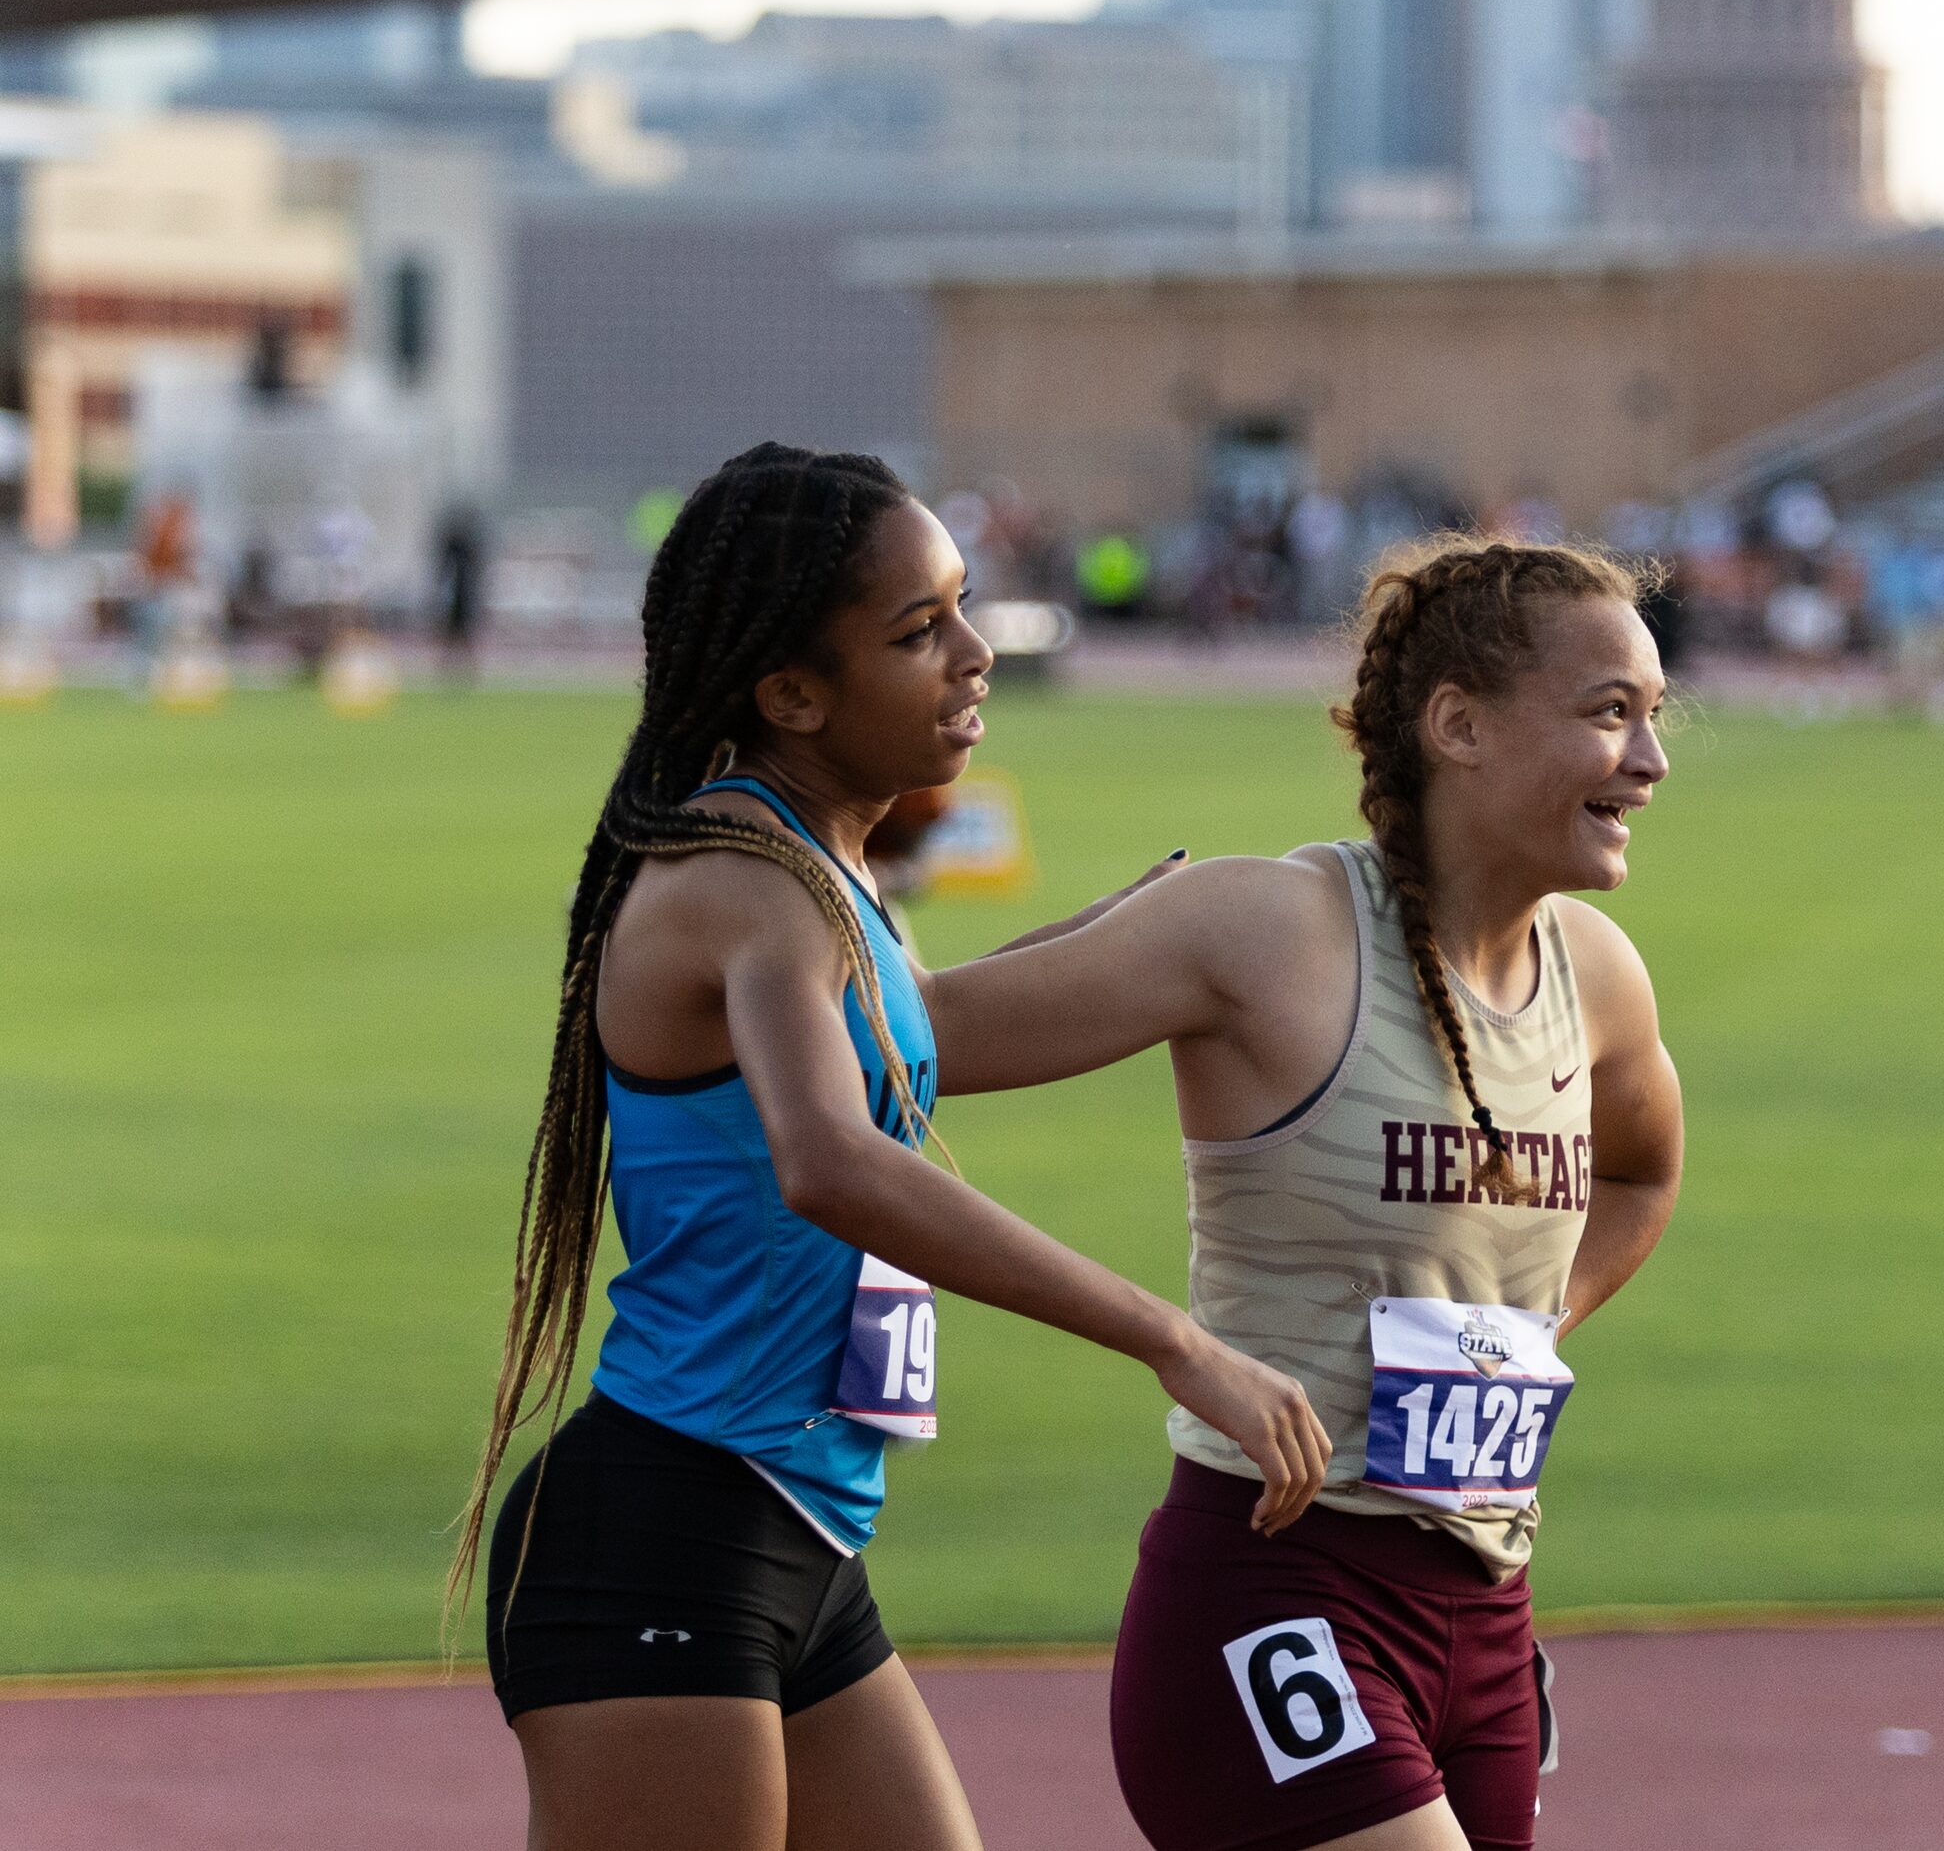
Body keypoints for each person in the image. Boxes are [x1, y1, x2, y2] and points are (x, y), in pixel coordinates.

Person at [453, 443, 1331, 1851]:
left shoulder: (823, 870)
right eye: (921, 631)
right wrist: (1175, 1337)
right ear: (791, 693)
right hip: (667, 1528)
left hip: (788, 1534)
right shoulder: (747, 882)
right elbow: (834, 1157)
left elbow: (922, 1040)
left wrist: (1134, 939)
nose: (976, 654)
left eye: (964, 607)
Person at [918, 537, 1688, 1850]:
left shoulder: (1597, 975)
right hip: (1274, 1586)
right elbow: (897, 1049)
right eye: (1609, 713)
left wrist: (1525, 1324)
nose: (1650, 763)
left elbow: (1640, 1167)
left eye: (1655, 719)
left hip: (1486, 1617)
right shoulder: (1264, 931)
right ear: (1458, 724)